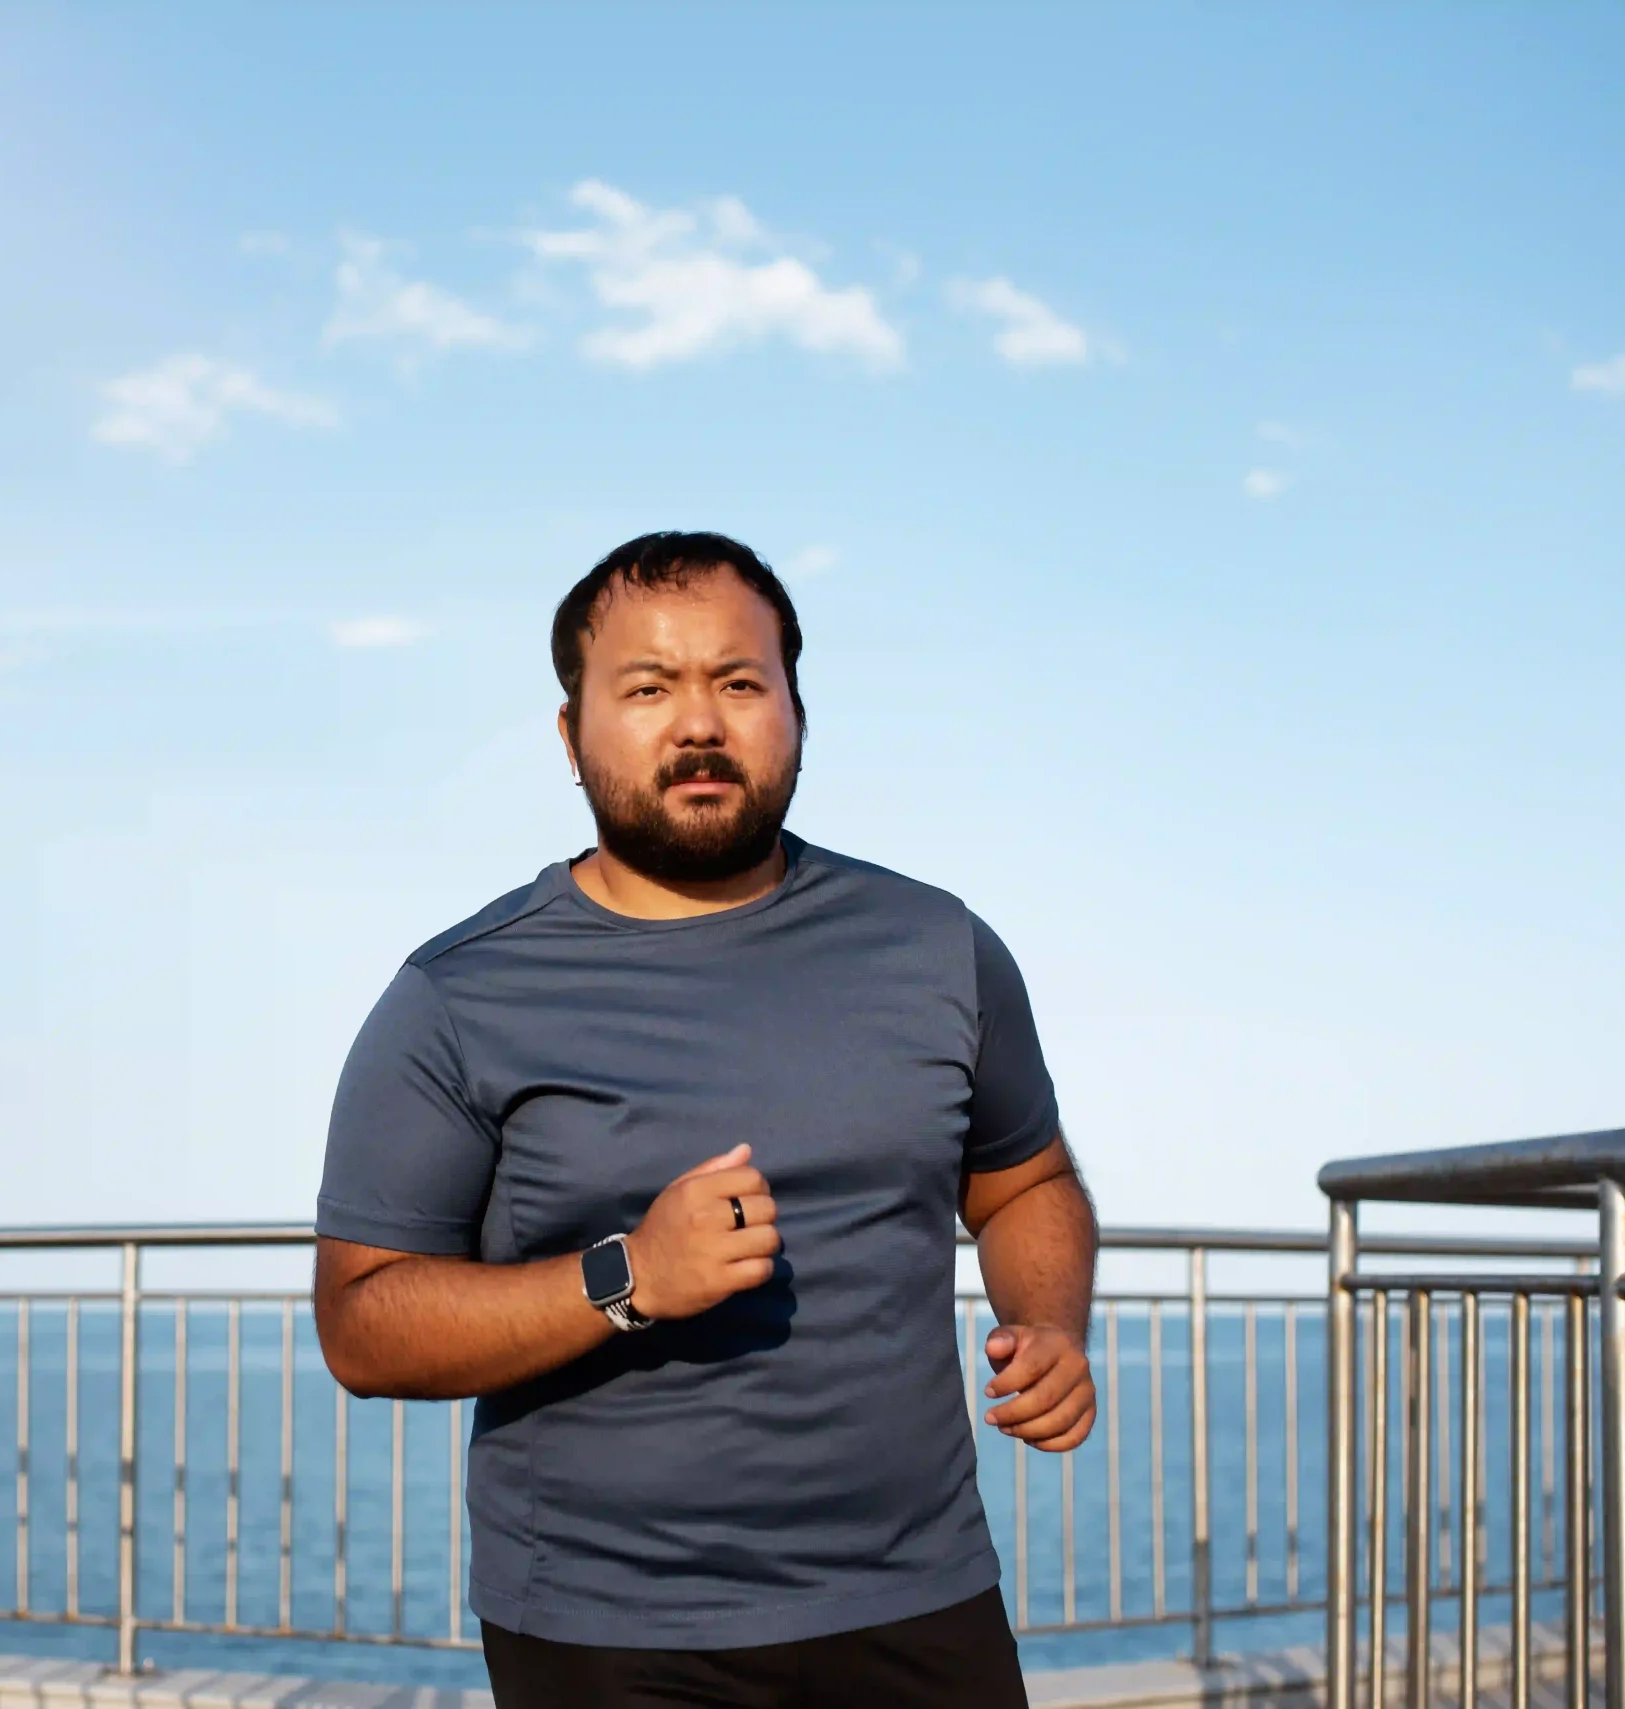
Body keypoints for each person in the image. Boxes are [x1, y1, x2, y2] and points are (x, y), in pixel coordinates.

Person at [313, 531, 1099, 1709]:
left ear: (794, 708)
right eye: (646, 688)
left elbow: (1021, 1181)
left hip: (921, 1598)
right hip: (611, 1633)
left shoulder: (939, 947)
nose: (698, 724)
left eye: (739, 681)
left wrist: (1048, 1319)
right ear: (572, 734)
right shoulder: (458, 994)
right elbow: (362, 1324)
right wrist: (625, 1274)